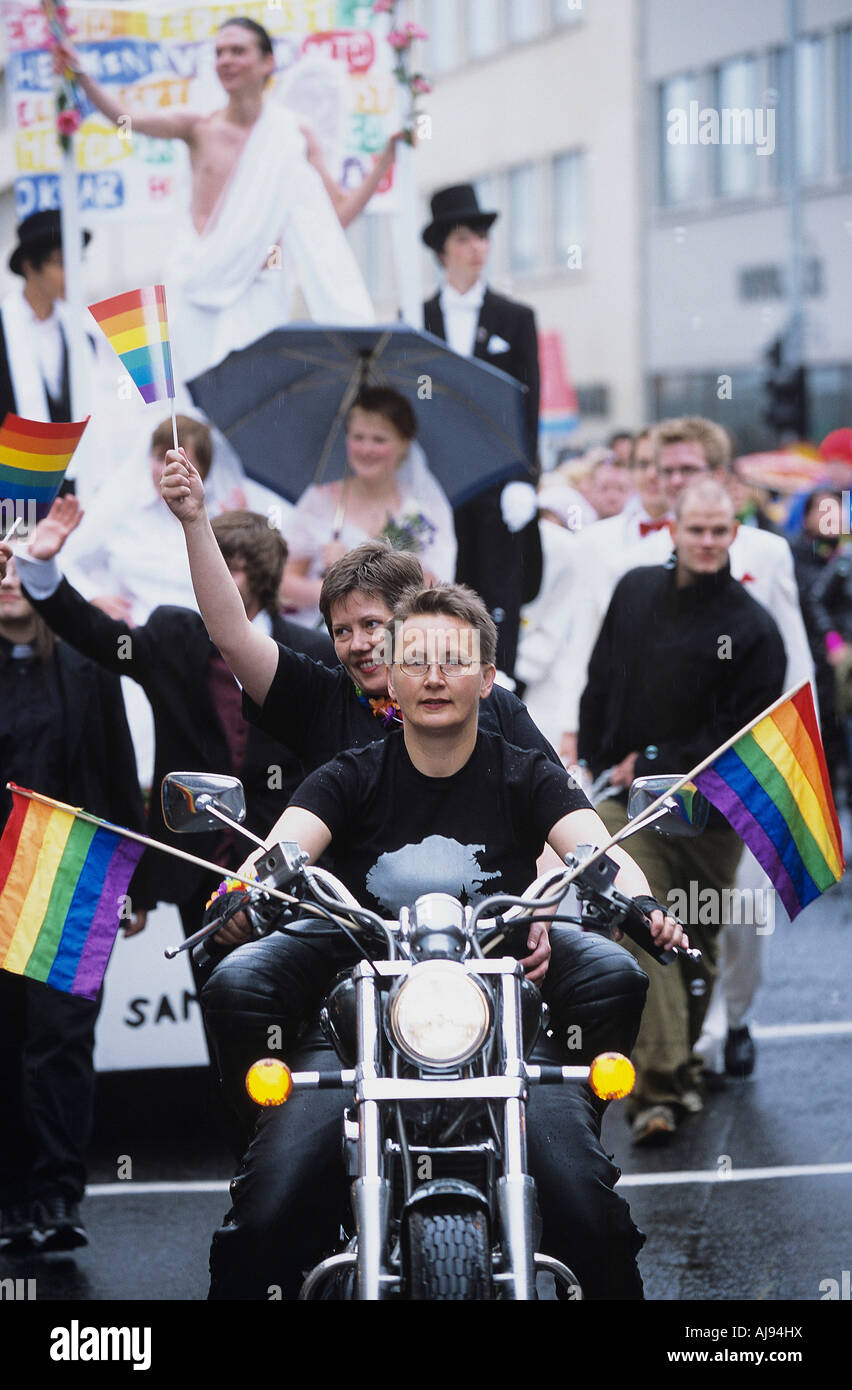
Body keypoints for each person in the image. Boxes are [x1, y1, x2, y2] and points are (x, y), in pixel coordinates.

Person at [198, 582, 686, 1300]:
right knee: (263, 1218)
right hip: (362, 1019)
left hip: (502, 1019)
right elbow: (281, 850)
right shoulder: (348, 775)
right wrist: (240, 895)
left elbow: (598, 850)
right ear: (389, 678)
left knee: (593, 1216)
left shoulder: (526, 773)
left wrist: (642, 904)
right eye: (416, 660)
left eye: (454, 661)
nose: (433, 677)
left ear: (487, 678)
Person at [13, 501, 335, 970]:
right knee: (220, 1015)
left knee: (293, 1007)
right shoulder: (172, 636)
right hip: (198, 869)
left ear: (262, 580)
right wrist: (40, 567)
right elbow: (94, 633)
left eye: (234, 569)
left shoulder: (312, 653)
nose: (218, 578)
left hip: (291, 862)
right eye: (211, 563)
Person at [579, 480, 787, 1143]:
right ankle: (660, 1093)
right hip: (629, 804)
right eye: (695, 529)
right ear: (673, 528)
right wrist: (600, 754)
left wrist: (649, 756)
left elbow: (741, 733)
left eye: (718, 531)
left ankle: (681, 1067)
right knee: (649, 919)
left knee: (693, 944)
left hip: (711, 812)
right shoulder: (635, 590)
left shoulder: (752, 626)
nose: (706, 542)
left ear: (734, 533)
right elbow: (603, 677)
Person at [55, 18, 378, 382]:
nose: (226, 60)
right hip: (196, 285)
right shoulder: (198, 127)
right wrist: (80, 74)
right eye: (220, 52)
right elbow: (126, 120)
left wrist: (386, 163)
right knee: (192, 395)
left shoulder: (291, 133)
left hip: (259, 289)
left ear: (267, 62)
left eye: (238, 51)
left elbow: (334, 219)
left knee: (254, 389)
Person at [0, 550, 146, 1252]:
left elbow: (120, 776)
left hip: (72, 871)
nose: (6, 580)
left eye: (15, 569)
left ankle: (58, 1197)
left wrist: (133, 886)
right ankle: (9, 1200)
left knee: (59, 1042)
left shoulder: (92, 670)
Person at [422, 184, 542, 677]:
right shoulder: (418, 317)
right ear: (443, 247)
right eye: (468, 237)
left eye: (484, 238)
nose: (479, 248)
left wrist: (525, 478)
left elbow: (527, 402)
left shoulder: (514, 319)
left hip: (497, 478)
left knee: (497, 593)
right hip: (437, 480)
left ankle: (499, 690)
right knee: (441, 590)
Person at [279, 386, 456, 628]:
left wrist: (356, 578)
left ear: (404, 444)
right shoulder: (319, 500)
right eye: (358, 437)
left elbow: (433, 590)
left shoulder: (420, 511)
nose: (366, 449)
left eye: (379, 439)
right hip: (319, 634)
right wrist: (330, 588)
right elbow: (284, 581)